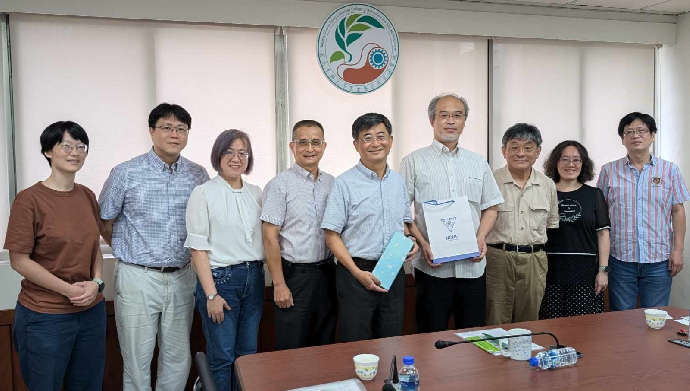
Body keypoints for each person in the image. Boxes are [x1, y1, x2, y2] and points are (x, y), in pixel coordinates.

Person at [99, 103, 210, 391]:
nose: (174, 134)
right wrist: (131, 250)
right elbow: (104, 221)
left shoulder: (198, 175)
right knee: (137, 359)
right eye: (167, 127)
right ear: (151, 131)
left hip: (182, 275)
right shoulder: (126, 173)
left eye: (181, 129)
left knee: (177, 356)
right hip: (138, 276)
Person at [4, 121, 106, 390]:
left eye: (81, 147)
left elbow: (94, 246)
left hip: (91, 312)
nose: (76, 153)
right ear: (49, 151)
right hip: (45, 316)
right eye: (67, 146)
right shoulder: (29, 200)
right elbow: (19, 260)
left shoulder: (87, 195)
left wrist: (96, 283)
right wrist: (68, 290)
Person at [400, 93, 503, 332]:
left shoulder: (478, 162)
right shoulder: (413, 162)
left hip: (472, 267)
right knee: (430, 337)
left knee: (474, 338)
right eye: (443, 115)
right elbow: (402, 212)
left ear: (465, 121)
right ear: (431, 121)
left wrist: (480, 238)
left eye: (457, 116)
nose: (450, 121)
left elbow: (491, 207)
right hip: (433, 268)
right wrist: (424, 244)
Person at [321, 113, 418, 343]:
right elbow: (331, 236)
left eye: (381, 136)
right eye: (367, 138)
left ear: (391, 141)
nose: (375, 143)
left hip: (392, 272)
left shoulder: (398, 181)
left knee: (391, 340)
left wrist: (411, 242)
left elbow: (404, 224)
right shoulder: (344, 183)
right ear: (356, 145)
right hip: (356, 275)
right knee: (355, 343)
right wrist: (356, 273)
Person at [185, 129, 264, 391]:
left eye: (242, 152)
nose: (236, 158)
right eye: (229, 151)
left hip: (254, 278)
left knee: (247, 355)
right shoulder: (203, 193)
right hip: (221, 283)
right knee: (222, 357)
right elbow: (198, 250)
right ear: (218, 155)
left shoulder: (256, 192)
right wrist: (211, 295)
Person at [597, 112, 689, 310]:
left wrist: (678, 250)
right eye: (629, 132)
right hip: (620, 259)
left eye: (641, 130)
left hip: (659, 259)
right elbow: (601, 216)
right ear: (622, 139)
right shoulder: (608, 171)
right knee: (621, 319)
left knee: (655, 318)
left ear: (653, 135)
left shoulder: (669, 170)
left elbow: (677, 211)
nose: (635, 135)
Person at [261, 120, 337, 350]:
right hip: (295, 277)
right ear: (292, 146)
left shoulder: (332, 183)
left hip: (328, 274)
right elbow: (269, 237)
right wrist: (279, 284)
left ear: (324, 146)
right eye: (302, 143)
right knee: (293, 347)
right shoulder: (279, 185)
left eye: (315, 143)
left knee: (325, 342)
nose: (309, 149)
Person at [485, 123, 559, 325]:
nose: (521, 153)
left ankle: (525, 357)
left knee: (530, 320)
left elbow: (551, 225)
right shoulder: (490, 180)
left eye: (528, 148)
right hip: (498, 259)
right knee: (495, 317)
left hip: (534, 260)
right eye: (514, 147)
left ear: (538, 152)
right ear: (504, 150)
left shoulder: (547, 184)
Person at [539, 140, 610, 319]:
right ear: (555, 163)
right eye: (564, 159)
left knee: (584, 328)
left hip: (585, 272)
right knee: (550, 324)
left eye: (576, 160)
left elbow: (603, 234)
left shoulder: (594, 195)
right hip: (549, 270)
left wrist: (603, 271)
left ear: (583, 164)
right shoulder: (544, 192)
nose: (570, 164)